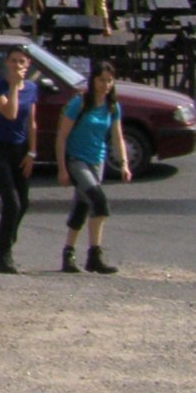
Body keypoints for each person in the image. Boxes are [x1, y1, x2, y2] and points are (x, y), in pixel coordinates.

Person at [57, 60, 131, 274]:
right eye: (101, 80)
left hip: (97, 160)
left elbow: (117, 137)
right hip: (77, 160)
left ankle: (70, 254)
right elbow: (62, 137)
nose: (105, 85)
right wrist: (62, 169)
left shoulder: (112, 106)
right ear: (93, 80)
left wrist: (124, 163)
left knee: (82, 206)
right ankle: (95, 252)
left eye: (109, 81)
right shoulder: (80, 103)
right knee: (99, 201)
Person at [0, 49, 39, 274]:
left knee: (23, 203)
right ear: (7, 63)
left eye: (21, 61)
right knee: (11, 203)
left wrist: (32, 153)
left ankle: (2, 238)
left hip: (20, 149)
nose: (17, 65)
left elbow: (31, 121)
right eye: (13, 61)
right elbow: (10, 113)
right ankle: (3, 255)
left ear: (28, 64)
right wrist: (15, 87)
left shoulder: (33, 89)